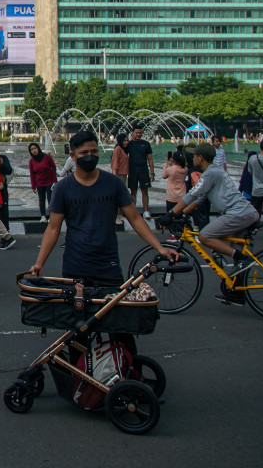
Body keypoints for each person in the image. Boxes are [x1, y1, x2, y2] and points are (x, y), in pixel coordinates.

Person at [30, 132, 177, 342]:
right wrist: (39, 262)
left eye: (94, 151)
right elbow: (53, 228)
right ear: (73, 155)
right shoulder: (63, 188)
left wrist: (159, 247)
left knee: (120, 327)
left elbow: (134, 218)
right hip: (75, 267)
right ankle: (80, 372)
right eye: (84, 153)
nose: (90, 156)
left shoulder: (113, 183)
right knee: (78, 328)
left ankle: (125, 369)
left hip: (108, 265)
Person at [159, 143, 261, 306]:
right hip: (244, 213)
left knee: (204, 236)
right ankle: (237, 293)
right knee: (235, 257)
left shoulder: (210, 174)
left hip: (238, 214)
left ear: (201, 157)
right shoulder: (214, 172)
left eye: (194, 155)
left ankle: (242, 259)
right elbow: (200, 198)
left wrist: (170, 214)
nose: (191, 157)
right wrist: (182, 214)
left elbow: (192, 194)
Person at [125, 126, 154, 219]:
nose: (138, 134)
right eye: (136, 132)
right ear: (132, 133)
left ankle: (146, 211)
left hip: (144, 171)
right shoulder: (129, 144)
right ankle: (133, 211)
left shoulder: (146, 144)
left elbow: (150, 159)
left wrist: (152, 173)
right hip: (132, 171)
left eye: (140, 133)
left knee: (145, 191)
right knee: (133, 191)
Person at [28, 142, 58, 223]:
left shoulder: (47, 157)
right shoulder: (31, 161)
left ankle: (51, 216)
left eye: (35, 148)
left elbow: (54, 167)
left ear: (38, 148)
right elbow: (32, 174)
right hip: (39, 183)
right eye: (31, 149)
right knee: (41, 199)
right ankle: (43, 216)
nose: (34, 150)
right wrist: (33, 186)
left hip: (49, 182)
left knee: (50, 199)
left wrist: (55, 180)